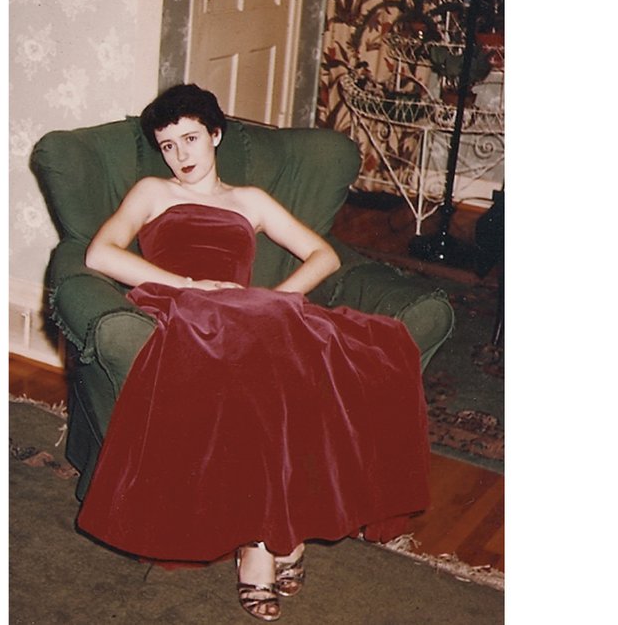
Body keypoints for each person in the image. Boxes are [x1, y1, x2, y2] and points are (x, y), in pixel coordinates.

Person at [76, 84, 431, 621]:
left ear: (215, 135)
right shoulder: (153, 192)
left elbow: (323, 255)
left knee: (347, 356)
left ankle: (266, 538)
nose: (182, 155)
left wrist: (276, 299)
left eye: (191, 139)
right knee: (270, 366)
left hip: (251, 314)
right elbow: (101, 253)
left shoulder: (250, 201)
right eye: (169, 145)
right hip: (186, 310)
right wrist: (189, 284)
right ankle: (266, 546)